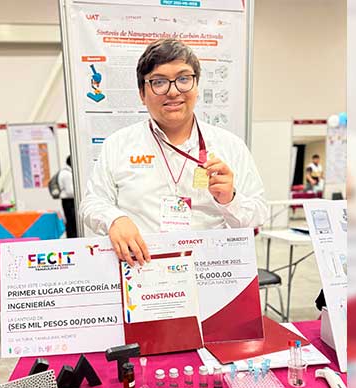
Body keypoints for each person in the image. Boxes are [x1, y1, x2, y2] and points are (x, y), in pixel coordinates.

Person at [81, 38, 267, 267]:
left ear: (196, 87)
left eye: (183, 79)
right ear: (142, 93)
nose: (173, 91)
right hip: (142, 272)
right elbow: (92, 203)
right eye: (159, 82)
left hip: (209, 273)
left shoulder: (230, 146)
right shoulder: (118, 144)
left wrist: (230, 199)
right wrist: (114, 219)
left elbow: (258, 215)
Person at [57, 155, 77, 238]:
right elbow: (69, 191)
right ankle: (72, 238)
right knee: (71, 221)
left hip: (68, 201)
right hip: (69, 201)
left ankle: (72, 237)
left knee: (71, 221)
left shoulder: (65, 172)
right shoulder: (67, 174)